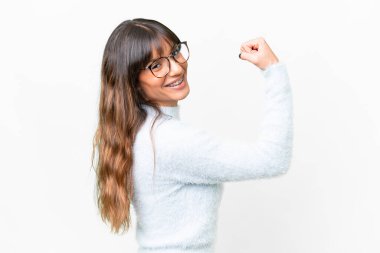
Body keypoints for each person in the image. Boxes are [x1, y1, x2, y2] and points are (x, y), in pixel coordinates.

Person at [92, 18, 293, 253]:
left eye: (176, 52)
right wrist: (274, 70)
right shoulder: (170, 141)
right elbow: (273, 159)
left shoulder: (138, 131)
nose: (176, 68)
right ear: (133, 82)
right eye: (156, 66)